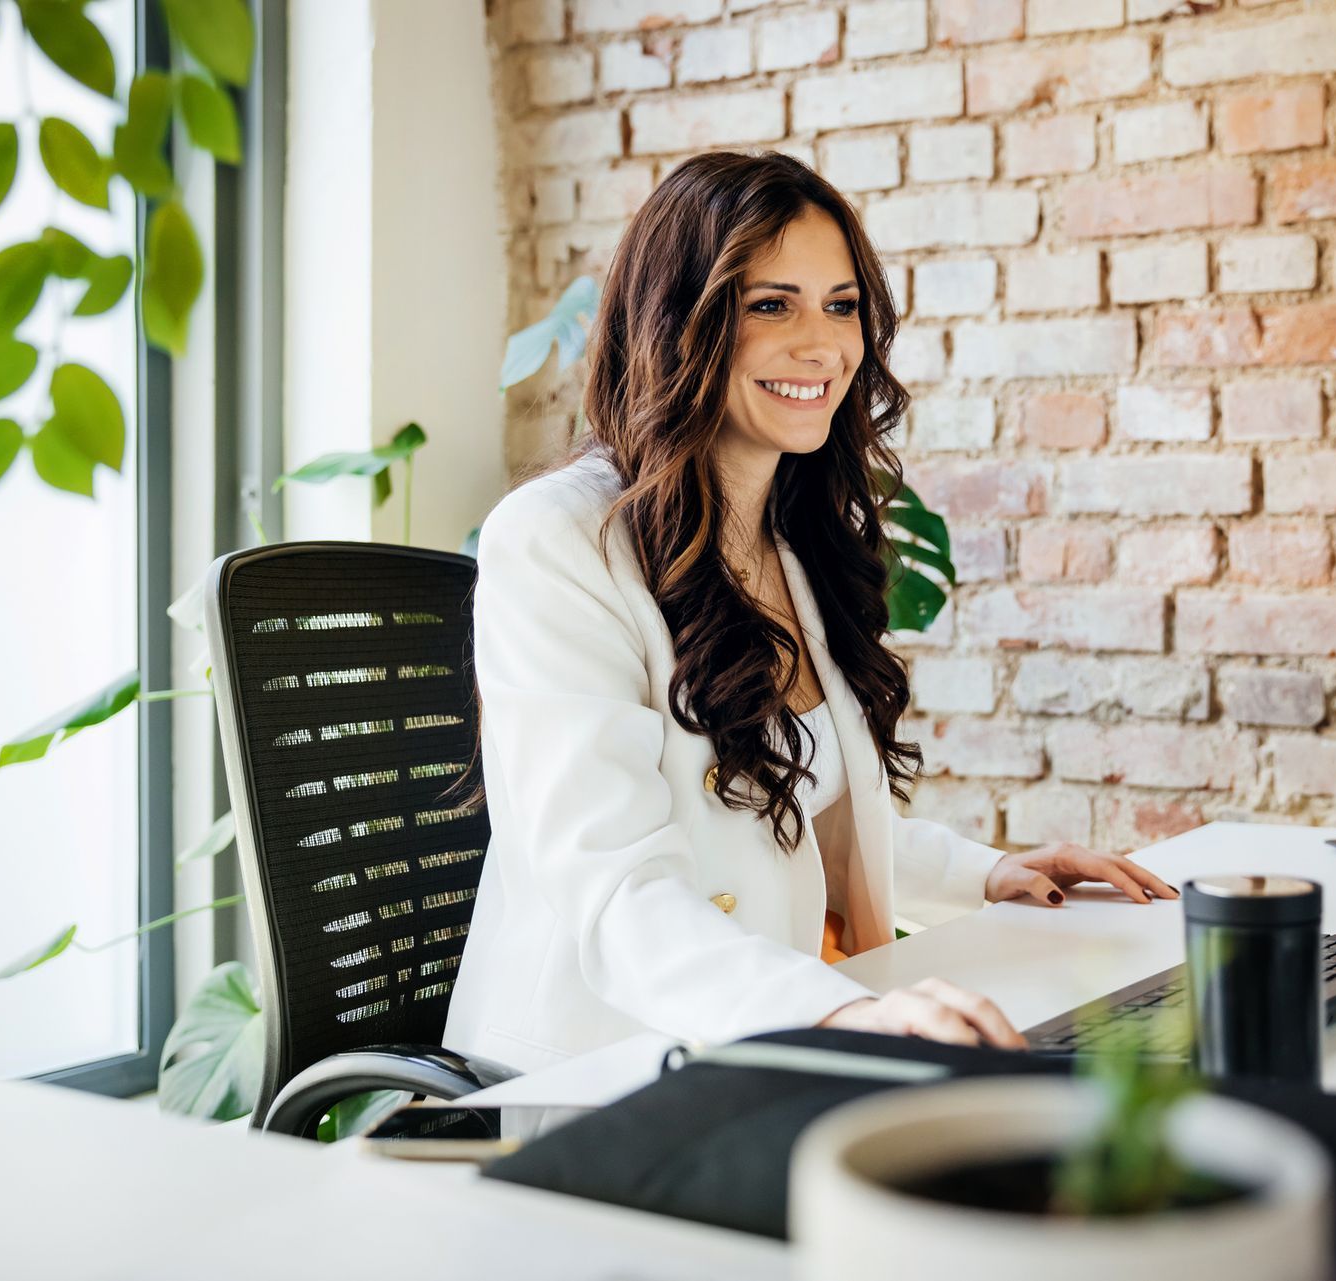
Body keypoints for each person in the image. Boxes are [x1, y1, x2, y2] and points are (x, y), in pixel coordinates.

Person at [442, 151, 1176, 1076]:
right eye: (770, 304)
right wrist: (837, 1010)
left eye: (840, 305)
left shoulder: (789, 541)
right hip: (595, 1071)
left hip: (759, 1044)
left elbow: (789, 809)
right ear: (678, 324)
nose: (823, 344)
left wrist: (990, 873)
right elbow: (619, 892)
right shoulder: (555, 541)